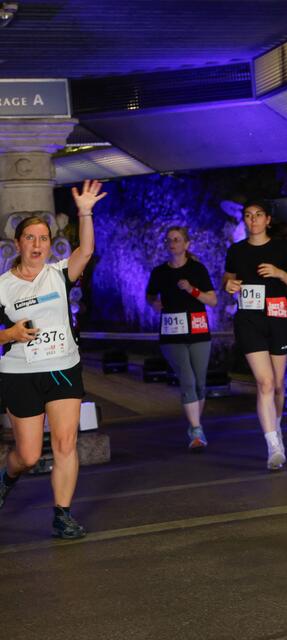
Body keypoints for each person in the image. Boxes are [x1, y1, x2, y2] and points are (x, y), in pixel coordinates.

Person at [0, 179, 104, 539]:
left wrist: (85, 211)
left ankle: (62, 514)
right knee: (28, 456)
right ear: (18, 244)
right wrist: (9, 335)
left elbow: (86, 251)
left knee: (64, 443)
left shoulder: (59, 274)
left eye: (44, 238)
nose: (38, 244)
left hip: (62, 367)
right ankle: (7, 475)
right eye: (30, 238)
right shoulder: (3, 286)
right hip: (19, 373)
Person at [224, 201, 287, 470]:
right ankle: (273, 446)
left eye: (258, 215)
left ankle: (276, 427)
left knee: (279, 384)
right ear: (244, 221)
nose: (253, 220)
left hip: (278, 318)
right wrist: (229, 285)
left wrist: (279, 273)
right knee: (265, 383)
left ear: (267, 219)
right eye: (248, 216)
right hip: (249, 320)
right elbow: (227, 281)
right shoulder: (236, 250)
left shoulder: (280, 248)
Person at [146, 226, 218, 450]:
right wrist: (154, 304)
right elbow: (150, 295)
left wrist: (192, 290)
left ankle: (195, 423)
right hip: (172, 334)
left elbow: (213, 301)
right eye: (169, 240)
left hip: (198, 331)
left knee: (199, 383)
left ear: (186, 244)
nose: (172, 243)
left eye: (177, 240)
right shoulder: (160, 272)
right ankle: (196, 430)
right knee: (187, 379)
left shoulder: (197, 269)